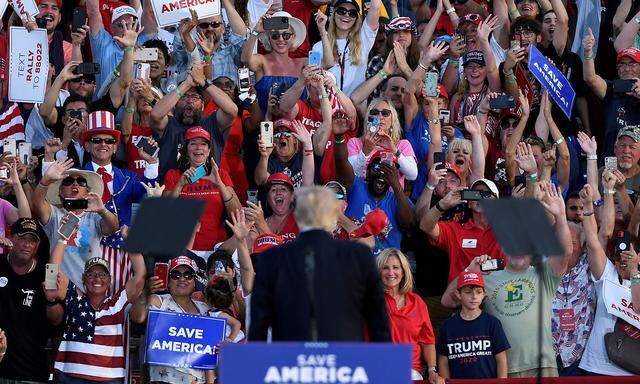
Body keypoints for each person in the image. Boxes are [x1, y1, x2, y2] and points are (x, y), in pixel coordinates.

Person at [442, 182, 572, 378]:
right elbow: (448, 300)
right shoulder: (488, 276)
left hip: (542, 366)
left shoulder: (543, 274)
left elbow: (565, 251)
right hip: (503, 369)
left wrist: (561, 217)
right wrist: (471, 271)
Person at [250, 186, 391, 341]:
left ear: (297, 216)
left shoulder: (271, 258)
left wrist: (260, 360)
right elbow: (377, 317)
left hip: (289, 359)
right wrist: (384, 360)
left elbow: (259, 323)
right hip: (343, 358)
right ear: (332, 217)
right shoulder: (358, 256)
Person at [45, 239, 146, 383]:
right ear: (83, 279)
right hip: (70, 377)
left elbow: (140, 275)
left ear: (109, 280)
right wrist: (63, 237)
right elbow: (51, 272)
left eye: (102, 274)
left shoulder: (116, 304)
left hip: (108, 379)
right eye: (91, 274)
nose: (97, 278)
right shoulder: (75, 298)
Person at [578, 180, 640, 375]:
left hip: (632, 369)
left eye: (629, 256)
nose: (623, 261)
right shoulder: (608, 274)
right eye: (618, 256)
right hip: (597, 367)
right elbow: (594, 243)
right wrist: (588, 207)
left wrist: (635, 272)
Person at [130, 256, 216, 384]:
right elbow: (137, 317)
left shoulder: (205, 309)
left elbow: (209, 352)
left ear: (194, 281)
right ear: (168, 281)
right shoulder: (158, 301)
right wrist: (146, 292)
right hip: (163, 380)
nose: (182, 279)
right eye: (176, 275)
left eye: (188, 275)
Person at [33, 161, 119, 287]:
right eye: (68, 182)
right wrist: (46, 179)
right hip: (58, 288)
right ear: (61, 191)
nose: (75, 184)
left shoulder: (95, 216)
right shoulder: (54, 213)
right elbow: (36, 204)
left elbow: (114, 227)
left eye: (81, 182)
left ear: (86, 192)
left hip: (90, 288)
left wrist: (102, 210)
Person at [150, 63, 238, 179]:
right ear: (175, 103)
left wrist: (204, 82)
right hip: (172, 191)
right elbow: (155, 114)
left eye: (195, 97)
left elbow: (232, 110)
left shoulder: (212, 122)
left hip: (207, 188)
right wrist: (186, 84)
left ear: (202, 105)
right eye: (184, 97)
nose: (189, 101)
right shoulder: (169, 123)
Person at [163, 126, 241, 258]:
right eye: (193, 143)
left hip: (216, 248)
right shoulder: (174, 175)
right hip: (183, 249)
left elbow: (237, 214)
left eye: (203, 144)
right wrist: (180, 185)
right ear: (186, 149)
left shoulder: (220, 174)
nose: (198, 148)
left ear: (209, 150)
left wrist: (220, 184)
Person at [419, 178, 505, 282]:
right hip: (460, 294)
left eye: (486, 194)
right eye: (475, 194)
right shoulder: (454, 230)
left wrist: (531, 176)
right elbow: (425, 226)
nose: (481, 198)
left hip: (498, 293)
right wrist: (442, 205)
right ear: (469, 203)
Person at [377, 248, 441, 382]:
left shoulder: (417, 302)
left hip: (411, 371)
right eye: (385, 268)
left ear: (404, 271)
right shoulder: (371, 299)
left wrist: (432, 371)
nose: (391, 273)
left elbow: (427, 341)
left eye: (396, 267)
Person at [0, 219, 51, 384]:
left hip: (32, 373)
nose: (27, 244)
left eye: (32, 240)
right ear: (11, 238)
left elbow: (58, 322)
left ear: (37, 245)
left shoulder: (48, 272)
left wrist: (52, 300)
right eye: (22, 238)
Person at [437, 271, 510, 379]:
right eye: (468, 292)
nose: (474, 296)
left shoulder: (492, 323)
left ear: (484, 295)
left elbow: (501, 360)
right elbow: (443, 361)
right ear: (458, 294)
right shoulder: (447, 326)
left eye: (479, 292)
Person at [242, 11, 307, 112]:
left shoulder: (302, 63)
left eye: (286, 35)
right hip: (265, 124)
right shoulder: (262, 61)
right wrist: (255, 31)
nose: (281, 39)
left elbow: (328, 63)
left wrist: (322, 30)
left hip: (296, 125)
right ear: (269, 38)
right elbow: (245, 59)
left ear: (293, 37)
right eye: (275, 35)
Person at [311, 0, 381, 95]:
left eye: (352, 13)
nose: (346, 15)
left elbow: (375, 7)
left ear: (356, 18)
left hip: (354, 107)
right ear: (333, 14)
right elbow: (312, 78)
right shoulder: (317, 47)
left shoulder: (364, 38)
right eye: (341, 11)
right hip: (328, 105)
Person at [347, 98, 417, 187]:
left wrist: (394, 150)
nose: (380, 117)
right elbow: (351, 175)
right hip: (362, 197)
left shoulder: (402, 145)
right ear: (368, 118)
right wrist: (365, 151)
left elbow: (412, 175)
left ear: (392, 120)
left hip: (391, 198)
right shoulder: (354, 143)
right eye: (375, 113)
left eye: (385, 113)